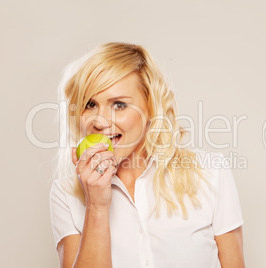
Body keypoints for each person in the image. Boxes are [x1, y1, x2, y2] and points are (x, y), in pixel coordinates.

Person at [49, 42, 245, 268]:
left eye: (119, 105)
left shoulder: (211, 172)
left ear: (151, 108)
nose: (100, 121)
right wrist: (96, 206)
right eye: (90, 104)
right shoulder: (65, 194)